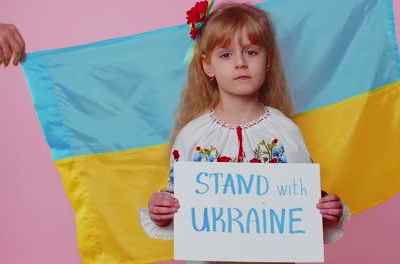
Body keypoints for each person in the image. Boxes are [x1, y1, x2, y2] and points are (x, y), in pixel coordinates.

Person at [139, 2, 350, 263]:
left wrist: (326, 209)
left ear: (268, 59)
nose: (240, 63)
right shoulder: (193, 136)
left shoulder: (284, 131)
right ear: (207, 66)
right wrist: (162, 207)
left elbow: (303, 202)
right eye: (226, 55)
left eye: (251, 52)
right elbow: (178, 200)